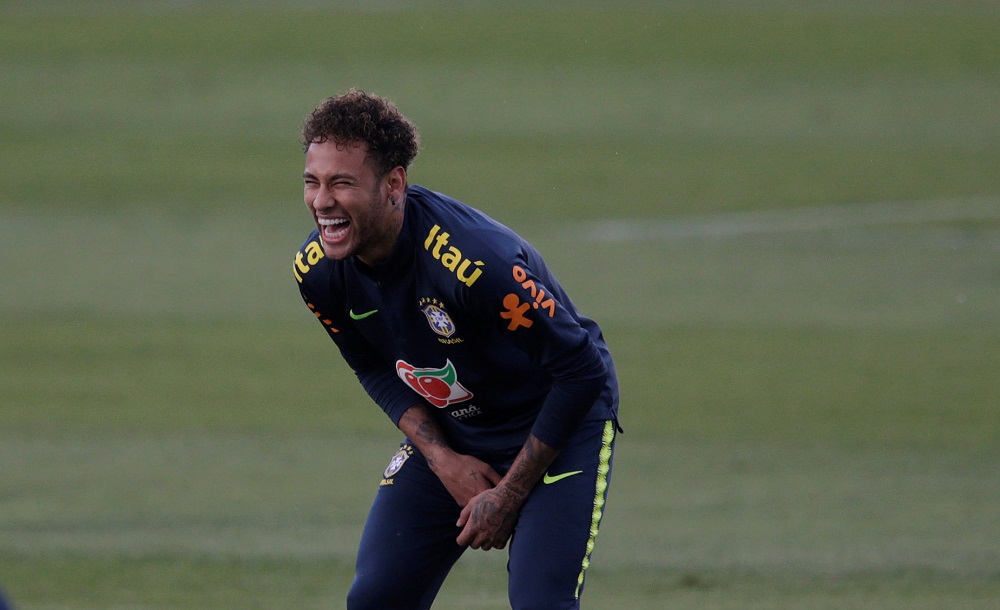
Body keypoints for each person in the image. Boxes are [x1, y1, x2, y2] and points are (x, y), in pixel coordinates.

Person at [293, 89, 620, 610]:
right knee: (376, 599)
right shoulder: (318, 273)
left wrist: (509, 495)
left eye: (342, 183)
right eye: (312, 182)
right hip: (458, 434)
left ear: (394, 183)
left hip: (559, 425)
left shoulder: (475, 263)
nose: (321, 201)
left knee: (541, 604)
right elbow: (370, 364)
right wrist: (442, 458)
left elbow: (581, 372)